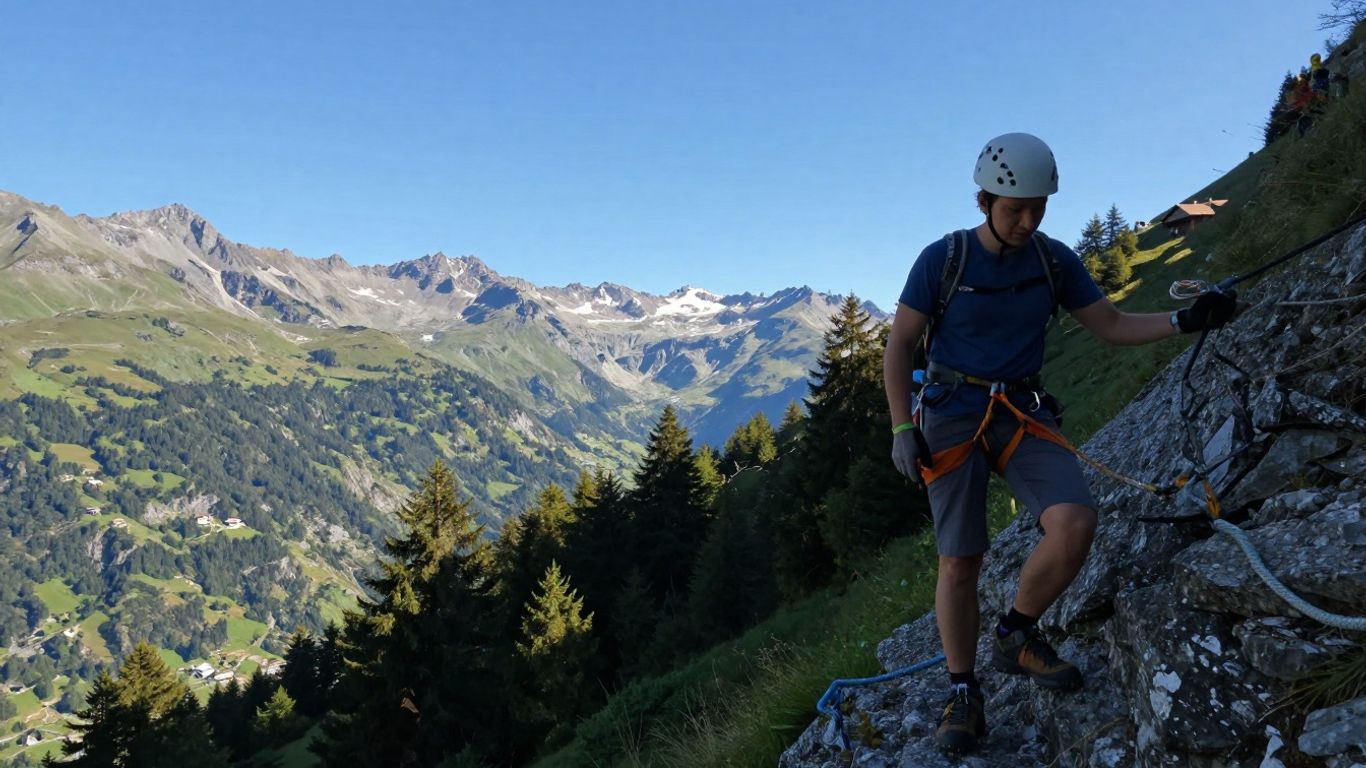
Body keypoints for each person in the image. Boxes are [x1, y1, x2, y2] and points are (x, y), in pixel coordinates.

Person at [882, 132, 1239, 755]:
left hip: (1020, 410)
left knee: (1074, 522)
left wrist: (1186, 319)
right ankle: (963, 692)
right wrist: (900, 429)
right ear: (985, 201)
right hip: (949, 414)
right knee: (960, 561)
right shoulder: (944, 261)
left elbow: (1112, 324)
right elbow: (899, 346)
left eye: (1038, 207)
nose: (1027, 220)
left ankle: (1016, 633)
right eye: (1015, 208)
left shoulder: (1052, 260)